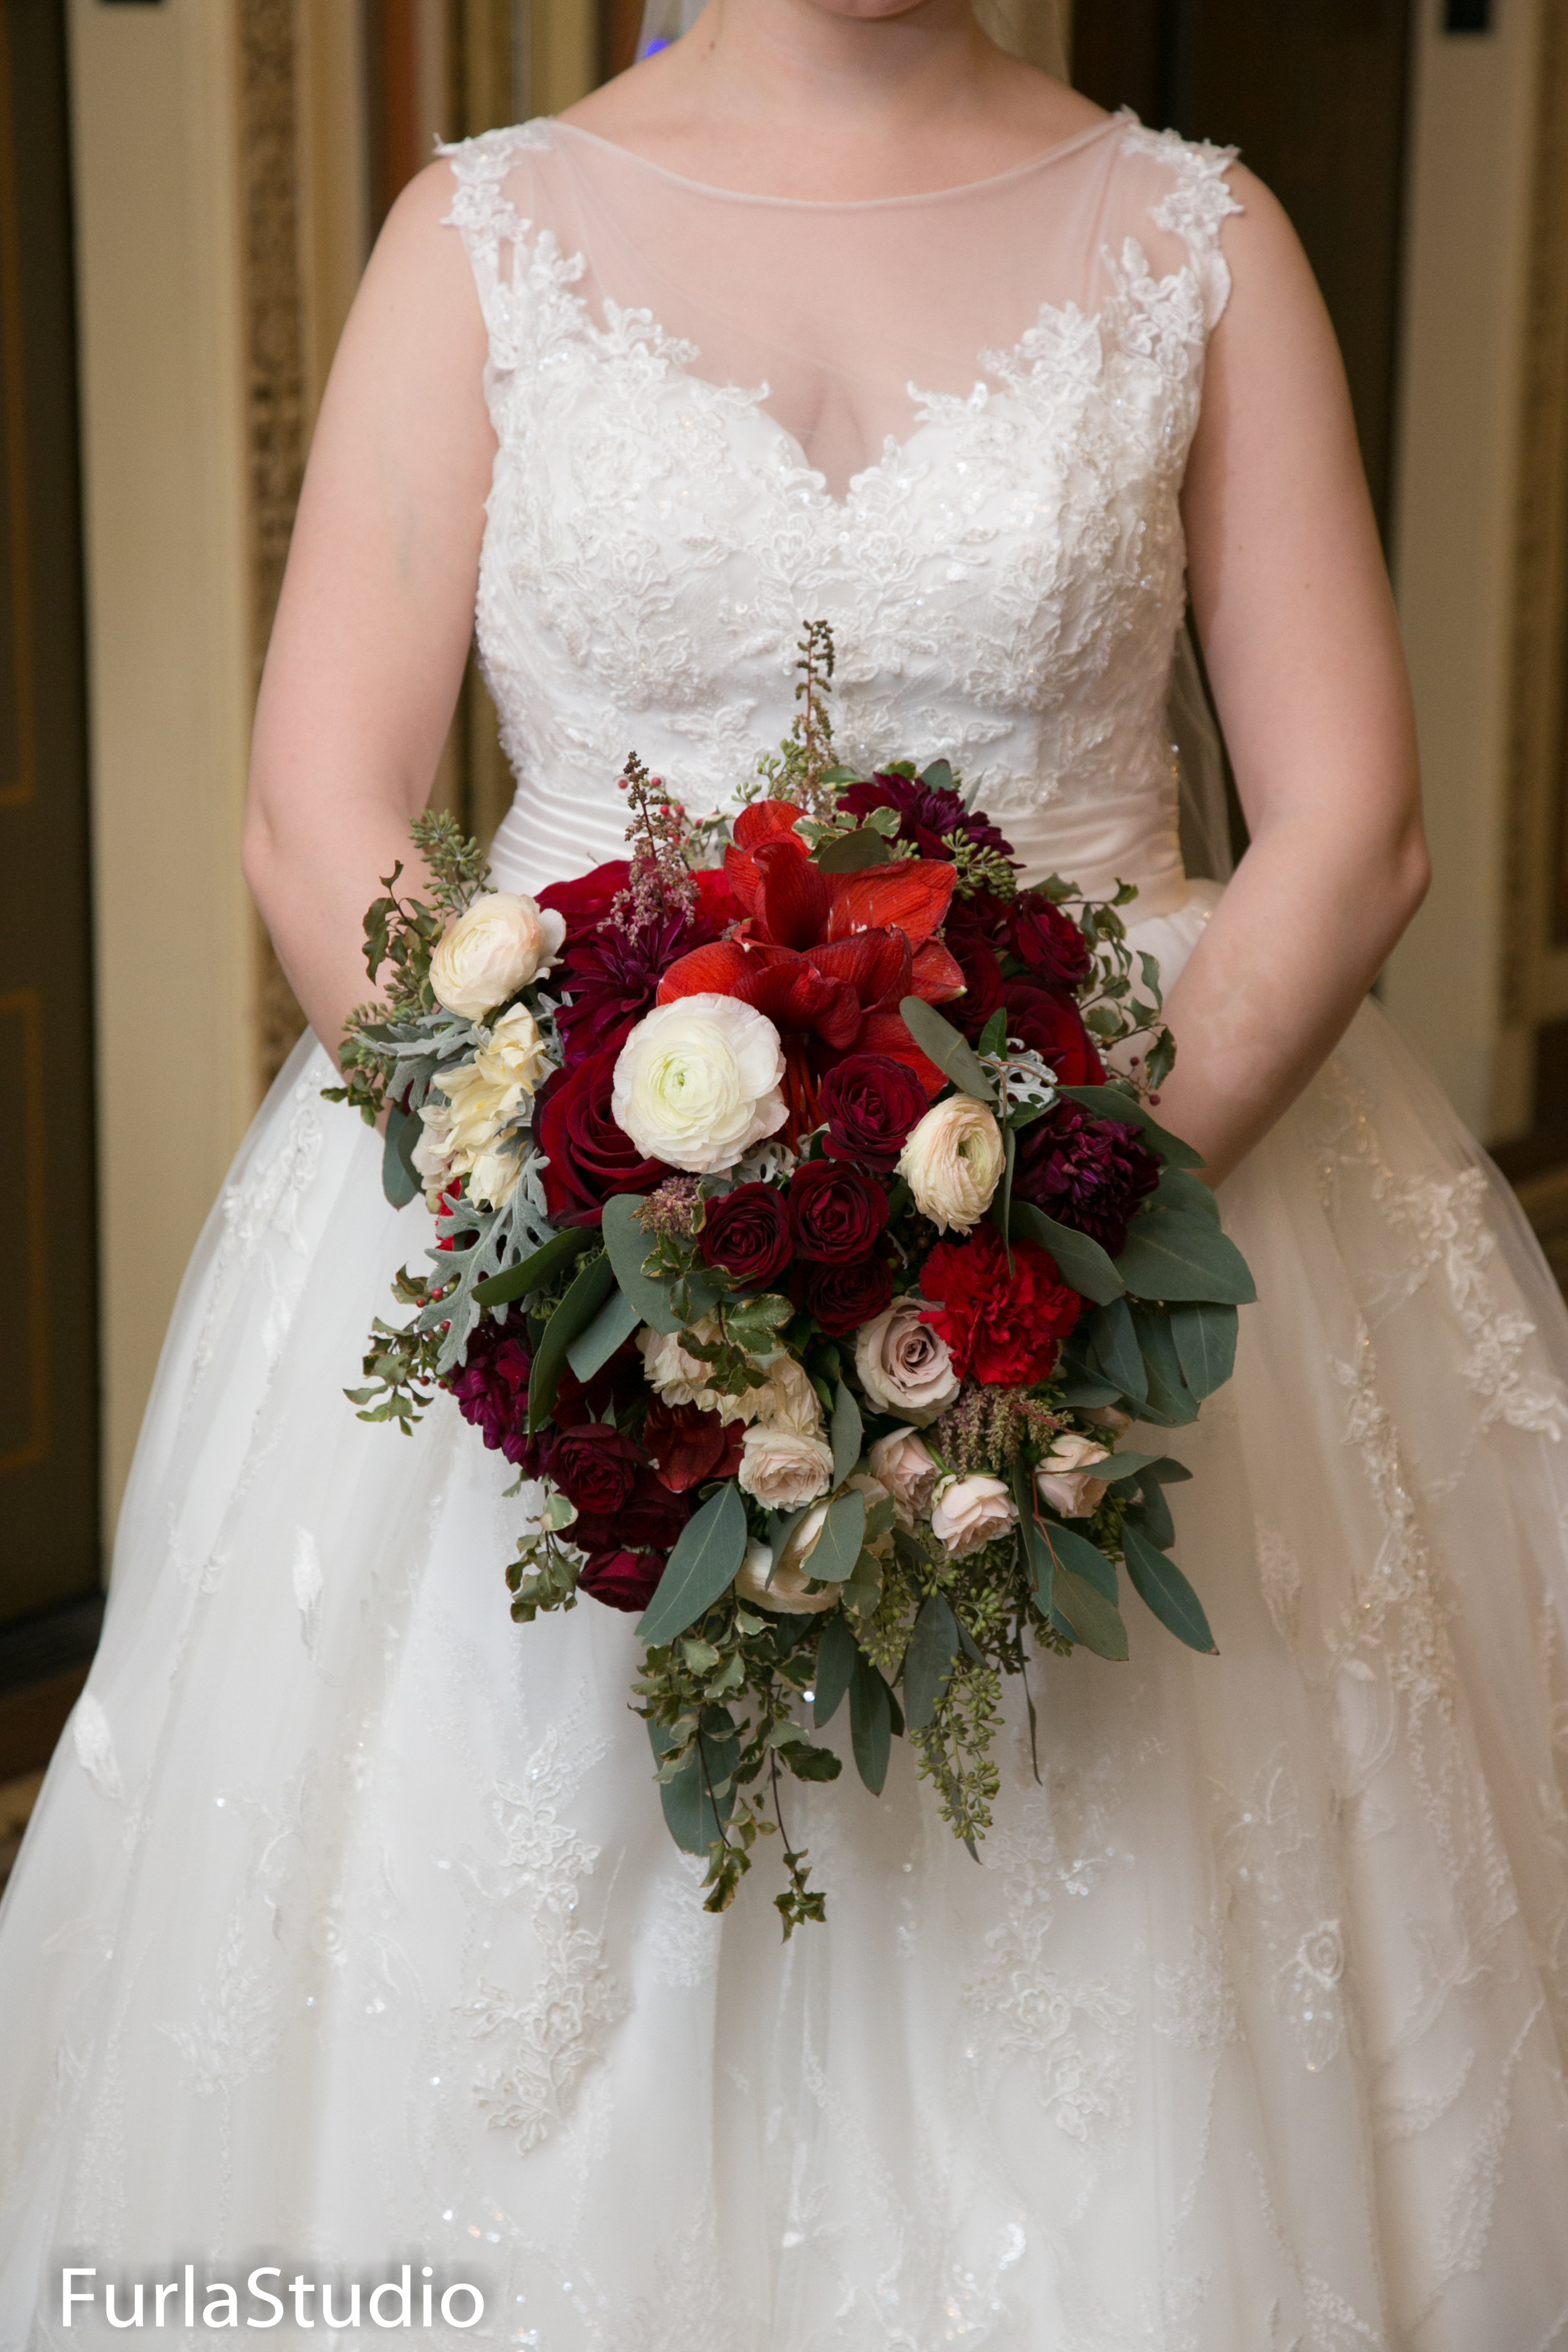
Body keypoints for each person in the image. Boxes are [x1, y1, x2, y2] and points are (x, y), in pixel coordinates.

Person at [3, 0, 1567, 2343]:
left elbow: (1351, 831)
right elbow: (316, 811)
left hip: (1133, 1186)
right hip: (569, 1202)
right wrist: (577, 1227)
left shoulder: (1200, 238)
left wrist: (1042, 1220)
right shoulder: (480, 236)